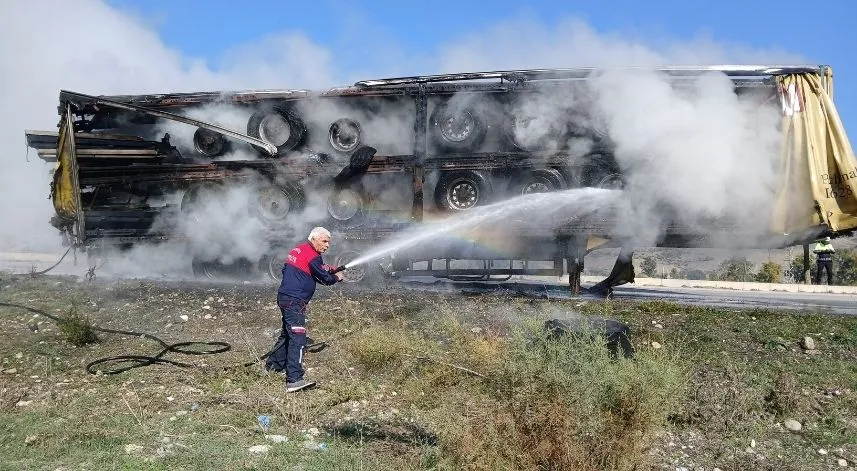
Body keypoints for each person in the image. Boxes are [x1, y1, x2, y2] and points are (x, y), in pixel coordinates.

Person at [265, 227, 344, 392]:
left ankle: (272, 367)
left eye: (328, 241)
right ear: (314, 239)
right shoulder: (313, 256)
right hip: (295, 301)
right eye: (324, 241)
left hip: (285, 297)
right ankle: (294, 380)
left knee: (287, 334)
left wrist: (326, 268)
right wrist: (336, 277)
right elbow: (325, 279)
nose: (327, 245)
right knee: (298, 338)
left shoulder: (299, 250)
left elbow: (309, 268)